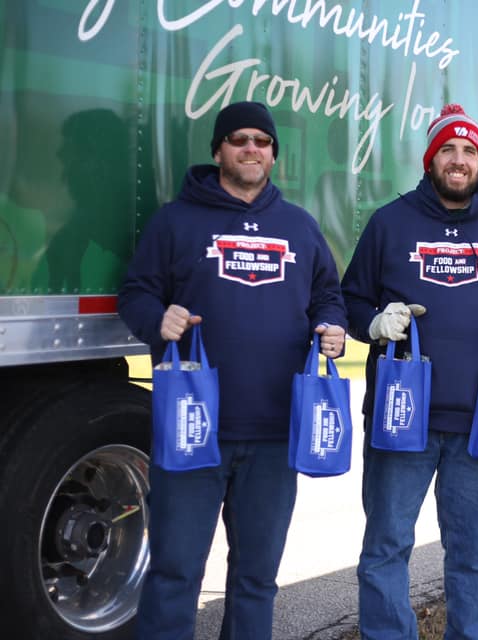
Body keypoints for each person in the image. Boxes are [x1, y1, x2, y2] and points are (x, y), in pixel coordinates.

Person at [118, 101, 348, 639]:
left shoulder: (299, 226)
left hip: (274, 432)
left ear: (273, 156)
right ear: (218, 149)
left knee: (257, 578)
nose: (251, 148)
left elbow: (328, 296)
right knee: (176, 573)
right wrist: (159, 318)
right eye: (239, 139)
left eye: (262, 142)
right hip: (192, 427)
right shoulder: (175, 221)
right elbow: (136, 293)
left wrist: (332, 327)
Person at [340, 103, 478, 639]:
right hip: (400, 417)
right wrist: (377, 323)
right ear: (430, 160)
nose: (459, 159)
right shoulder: (390, 222)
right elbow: (350, 301)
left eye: (469, 150)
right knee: (386, 547)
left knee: (472, 554)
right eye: (448, 150)